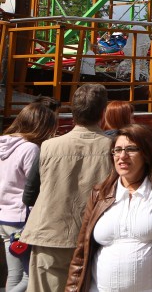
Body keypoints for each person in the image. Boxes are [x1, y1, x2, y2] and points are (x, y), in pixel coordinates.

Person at [65, 123, 152, 292]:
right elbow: (81, 252)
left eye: (131, 149)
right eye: (117, 150)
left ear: (147, 154)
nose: (122, 156)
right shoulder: (100, 194)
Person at [20, 84, 111, 292]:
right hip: (97, 236)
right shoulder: (115, 148)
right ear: (103, 112)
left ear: (73, 113)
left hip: (51, 233)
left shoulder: (49, 146)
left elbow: (29, 194)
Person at [0, 102, 57, 292]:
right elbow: (35, 185)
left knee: (14, 275)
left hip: (4, 217)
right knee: (30, 276)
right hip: (22, 218)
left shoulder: (3, 144)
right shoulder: (30, 149)